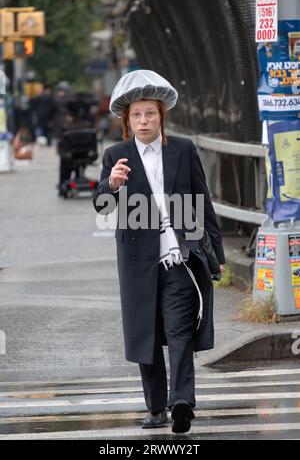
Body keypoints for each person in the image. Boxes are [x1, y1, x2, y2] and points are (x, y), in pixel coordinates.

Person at [93, 70, 225, 434]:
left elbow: (203, 202)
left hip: (178, 260)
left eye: (150, 113)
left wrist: (216, 255)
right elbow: (102, 207)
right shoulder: (116, 155)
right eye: (137, 115)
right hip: (137, 264)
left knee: (180, 331)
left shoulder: (182, 149)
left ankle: (181, 401)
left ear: (161, 116)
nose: (144, 120)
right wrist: (112, 185)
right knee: (146, 336)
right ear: (127, 120)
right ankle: (155, 408)